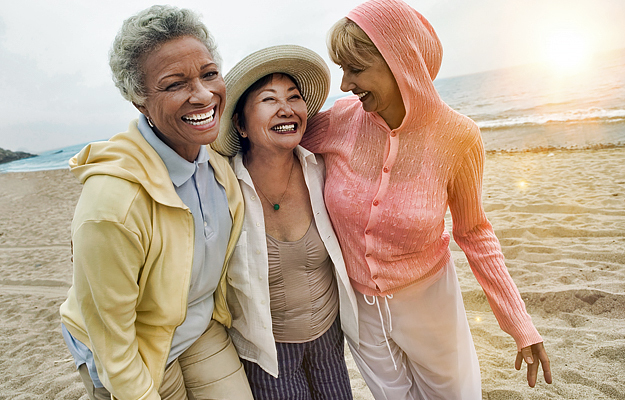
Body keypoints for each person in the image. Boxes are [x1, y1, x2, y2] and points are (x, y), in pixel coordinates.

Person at [301, 0, 553, 398]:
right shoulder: (339, 120)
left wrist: (519, 322)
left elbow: (474, 233)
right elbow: (271, 144)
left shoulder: (459, 137)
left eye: (357, 68)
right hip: (358, 308)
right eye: (342, 70)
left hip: (431, 302)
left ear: (402, 62)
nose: (345, 84)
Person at [59, 6, 253, 400]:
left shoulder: (215, 163)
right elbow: (113, 339)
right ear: (139, 101)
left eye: (209, 74)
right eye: (174, 84)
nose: (202, 94)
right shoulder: (112, 204)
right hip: (130, 347)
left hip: (198, 326)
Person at [210, 45, 359, 400]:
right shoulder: (223, 187)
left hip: (329, 340)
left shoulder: (322, 170)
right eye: (269, 100)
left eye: (294, 97)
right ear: (241, 124)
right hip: (267, 353)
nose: (286, 109)